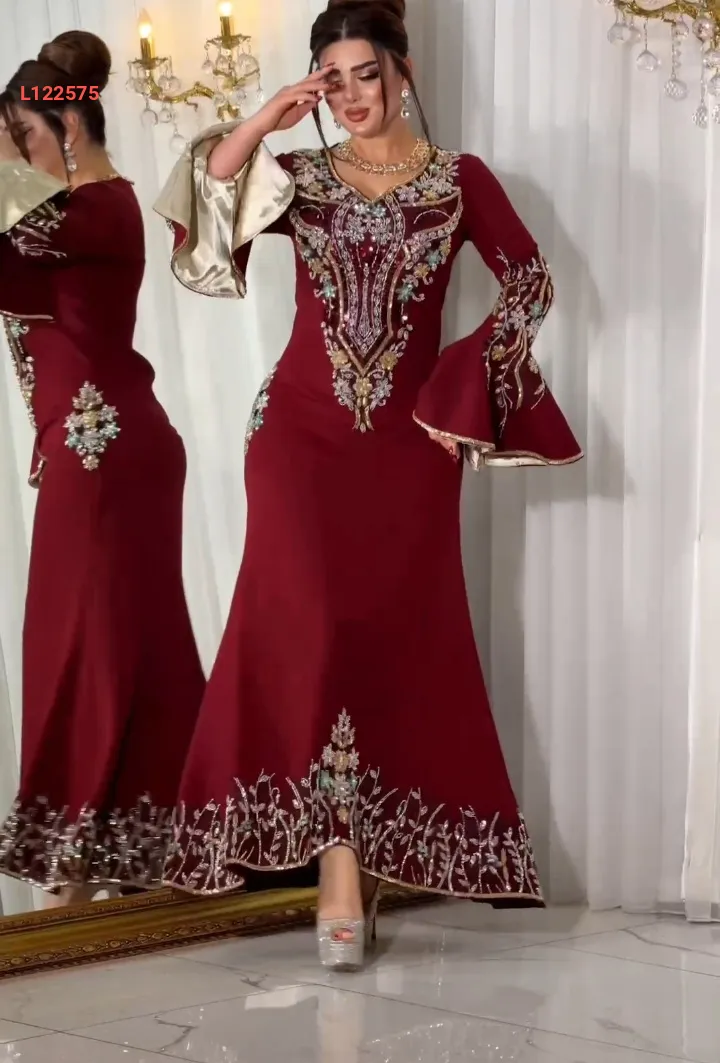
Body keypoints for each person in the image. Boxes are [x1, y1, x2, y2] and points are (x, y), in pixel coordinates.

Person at [155, 0, 582, 968]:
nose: (350, 95)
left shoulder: (459, 180)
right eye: (331, 79)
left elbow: (530, 281)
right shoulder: (298, 178)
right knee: (306, 630)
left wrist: (462, 388)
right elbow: (206, 210)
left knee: (392, 635)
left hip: (408, 447)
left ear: (403, 73)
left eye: (365, 73)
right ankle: (339, 871)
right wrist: (265, 117)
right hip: (297, 439)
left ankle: (364, 853)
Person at [0, 31, 205, 905]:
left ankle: (84, 868)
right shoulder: (49, 219)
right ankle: (138, 855)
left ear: (70, 127)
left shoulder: (103, 209)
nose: (14, 154)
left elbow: (20, 220)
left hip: (111, 449)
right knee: (104, 646)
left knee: (96, 649)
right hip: (94, 453)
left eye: (22, 135)